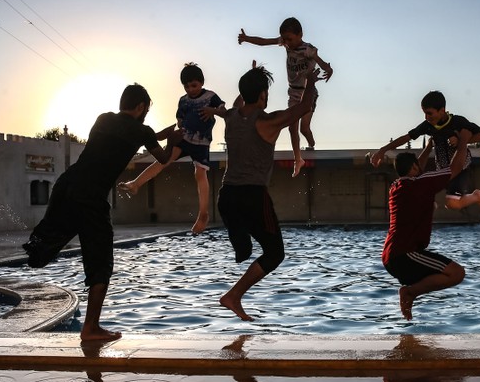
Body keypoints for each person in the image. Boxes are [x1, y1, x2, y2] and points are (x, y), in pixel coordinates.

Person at [23, 83, 182, 342]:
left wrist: (157, 135)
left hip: (66, 186)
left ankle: (35, 253)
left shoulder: (103, 119)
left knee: (46, 242)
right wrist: (173, 140)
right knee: (101, 263)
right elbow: (163, 158)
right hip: (91, 198)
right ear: (141, 107)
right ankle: (91, 328)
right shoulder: (143, 131)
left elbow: (136, 136)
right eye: (146, 110)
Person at [217, 61, 321, 321]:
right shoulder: (267, 120)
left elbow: (240, 100)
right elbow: (304, 108)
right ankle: (234, 295)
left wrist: (251, 79)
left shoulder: (231, 116)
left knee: (245, 252)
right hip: (252, 196)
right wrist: (310, 81)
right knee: (275, 253)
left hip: (226, 197)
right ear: (262, 95)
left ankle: (239, 240)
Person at [118, 63, 227, 234]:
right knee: (163, 159)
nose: (190, 89)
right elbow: (180, 119)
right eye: (186, 86)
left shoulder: (211, 96)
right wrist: (180, 124)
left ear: (201, 83)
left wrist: (211, 111)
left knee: (199, 173)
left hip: (201, 142)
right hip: (184, 137)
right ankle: (136, 183)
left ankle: (203, 213)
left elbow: (224, 112)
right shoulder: (183, 100)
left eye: (194, 85)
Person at [369, 90, 480, 215]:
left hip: (460, 167)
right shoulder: (428, 126)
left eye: (429, 113)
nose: (427, 117)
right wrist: (383, 150)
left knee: (451, 203)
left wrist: (462, 140)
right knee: (419, 185)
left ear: (442, 110)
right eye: (424, 113)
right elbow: (406, 137)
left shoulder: (458, 122)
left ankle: (477, 196)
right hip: (442, 168)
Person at [238, 17, 333, 178]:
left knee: (304, 129)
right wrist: (247, 39)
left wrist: (328, 69)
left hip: (308, 91)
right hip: (293, 92)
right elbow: (264, 42)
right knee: (291, 127)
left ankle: (311, 144)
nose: (287, 43)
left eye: (290, 39)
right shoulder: (285, 42)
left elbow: (321, 62)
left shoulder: (308, 49)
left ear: (300, 34)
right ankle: (298, 160)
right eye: (285, 39)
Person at [382, 151, 467, 320]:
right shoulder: (419, 185)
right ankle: (410, 292)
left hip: (392, 256)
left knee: (445, 273)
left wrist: (428, 147)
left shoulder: (397, 186)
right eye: (417, 166)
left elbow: (414, 169)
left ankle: (411, 292)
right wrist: (464, 140)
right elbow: (455, 168)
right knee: (457, 273)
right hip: (405, 254)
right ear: (414, 167)